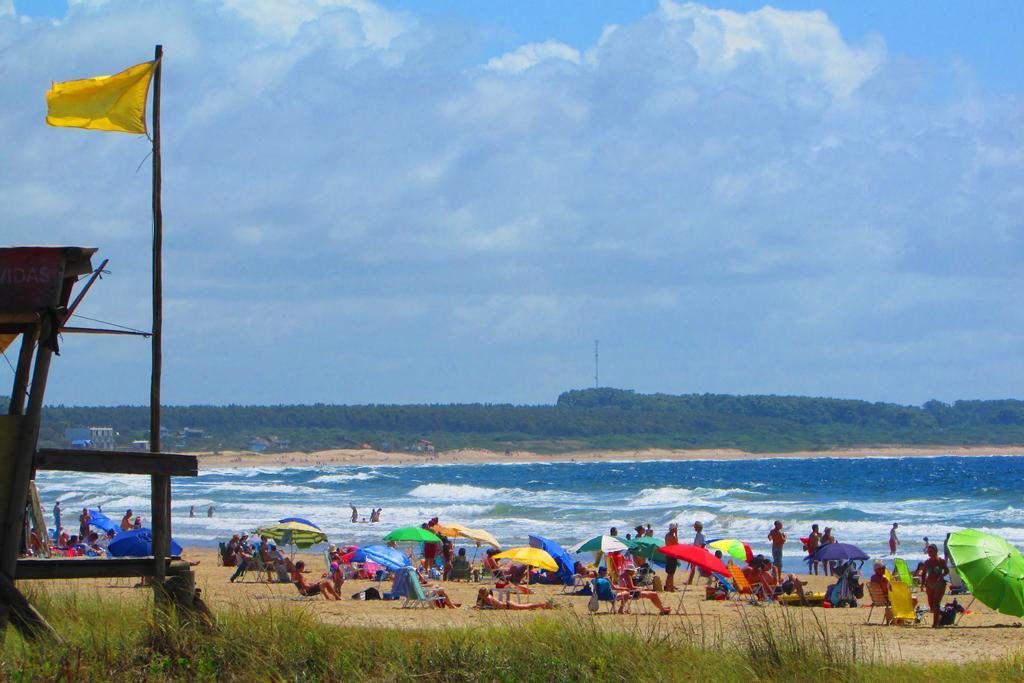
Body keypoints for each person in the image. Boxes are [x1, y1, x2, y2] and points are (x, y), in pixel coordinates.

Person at [918, 544, 949, 628]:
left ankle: (935, 623)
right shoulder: (927, 562)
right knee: (931, 605)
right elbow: (924, 573)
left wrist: (942, 576)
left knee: (936, 603)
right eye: (928, 551)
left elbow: (947, 570)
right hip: (929, 584)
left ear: (936, 551)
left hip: (940, 584)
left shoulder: (941, 561)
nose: (929, 553)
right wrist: (922, 585)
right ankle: (938, 617)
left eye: (931, 551)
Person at [475, 587, 553, 610]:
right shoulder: (487, 597)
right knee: (526, 606)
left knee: (527, 606)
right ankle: (543, 604)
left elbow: (493, 607)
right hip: (507, 605)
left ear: (482, 594)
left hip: (509, 606)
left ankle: (544, 604)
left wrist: (481, 608)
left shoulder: (488, 598)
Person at [686, 521, 706, 585]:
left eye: (695, 527)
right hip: (695, 551)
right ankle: (690, 581)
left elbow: (703, 544)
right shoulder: (698, 534)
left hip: (698, 552)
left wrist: (699, 551)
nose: (694, 528)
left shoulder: (701, 534)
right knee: (692, 566)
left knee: (694, 566)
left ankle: (690, 581)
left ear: (698, 527)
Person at [664, 523, 679, 592]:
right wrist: (676, 534)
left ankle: (667, 586)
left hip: (669, 554)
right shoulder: (671, 536)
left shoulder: (667, 535)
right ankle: (671, 587)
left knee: (670, 572)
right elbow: (676, 543)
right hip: (671, 555)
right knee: (671, 573)